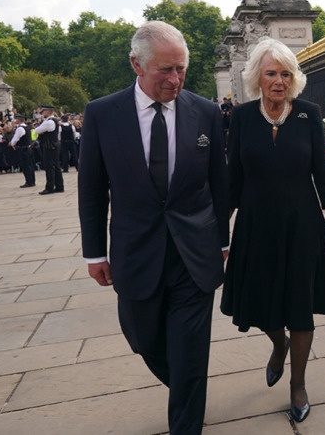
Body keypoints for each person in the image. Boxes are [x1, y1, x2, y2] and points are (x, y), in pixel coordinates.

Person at [78, 21, 229, 435]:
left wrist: (222, 241)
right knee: (143, 339)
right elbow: (91, 190)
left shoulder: (207, 113)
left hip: (194, 255)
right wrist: (95, 253)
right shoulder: (102, 114)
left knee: (190, 353)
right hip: (135, 252)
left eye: (181, 68)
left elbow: (220, 184)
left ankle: (186, 418)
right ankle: (187, 388)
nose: (176, 79)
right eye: (165, 70)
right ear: (136, 65)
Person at [221, 37, 325, 424]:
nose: (278, 80)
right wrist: (219, 229)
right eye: (271, 73)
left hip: (302, 224)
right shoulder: (240, 117)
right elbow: (233, 177)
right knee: (262, 304)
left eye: (285, 74)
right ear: (257, 76)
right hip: (256, 225)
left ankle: (298, 384)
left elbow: (322, 170)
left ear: (294, 78)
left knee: (300, 306)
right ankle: (278, 345)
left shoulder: (308, 114)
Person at [34, 105, 64, 194]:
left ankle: (49, 187)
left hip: (49, 145)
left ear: (47, 112)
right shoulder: (54, 120)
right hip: (54, 144)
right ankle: (59, 186)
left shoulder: (48, 122)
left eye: (43, 111)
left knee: (49, 167)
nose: (42, 113)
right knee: (56, 166)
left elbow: (37, 130)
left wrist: (41, 131)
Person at [9, 114, 36, 188]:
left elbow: (15, 139)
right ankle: (32, 181)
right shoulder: (27, 128)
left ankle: (29, 181)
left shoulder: (20, 129)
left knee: (26, 166)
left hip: (23, 149)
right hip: (28, 148)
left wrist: (12, 144)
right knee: (30, 165)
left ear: (18, 120)